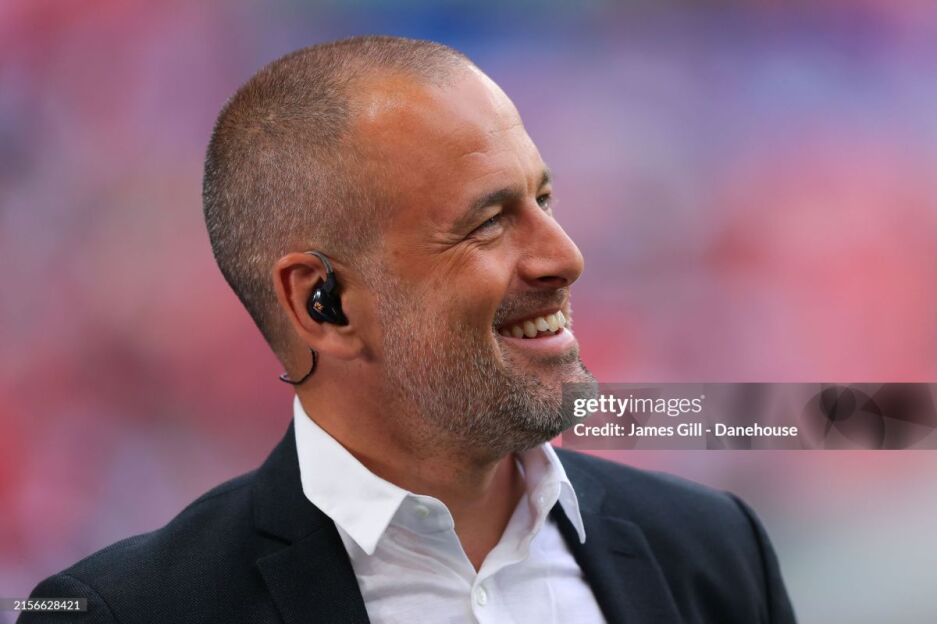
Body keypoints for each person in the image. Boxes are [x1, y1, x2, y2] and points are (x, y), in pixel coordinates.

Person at [22, 36, 796, 623]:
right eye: (487, 223)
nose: (565, 256)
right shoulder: (126, 611)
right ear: (323, 303)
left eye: (542, 200)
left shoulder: (712, 550)